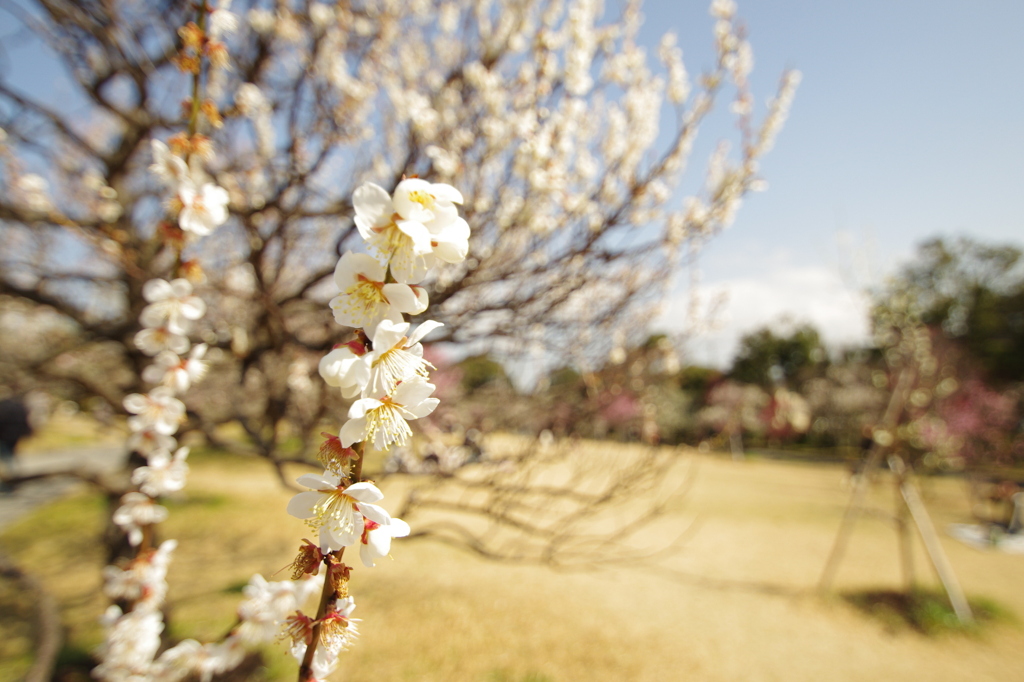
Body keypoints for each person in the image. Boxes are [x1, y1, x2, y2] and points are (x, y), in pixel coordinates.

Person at [0, 397, 33, 489]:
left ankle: (11, 480)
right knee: (10, 455)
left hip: (4, 436)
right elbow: (25, 421)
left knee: (7, 457)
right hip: (15, 435)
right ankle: (14, 478)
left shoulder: (3, 408)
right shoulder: (19, 407)